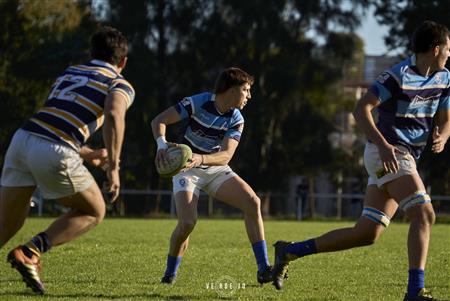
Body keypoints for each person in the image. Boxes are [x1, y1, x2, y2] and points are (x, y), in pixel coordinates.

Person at [271, 20, 450, 301]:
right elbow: (360, 108)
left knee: (367, 233)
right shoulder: (397, 76)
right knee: (424, 214)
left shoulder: (444, 78)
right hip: (388, 153)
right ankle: (415, 292)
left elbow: (445, 119)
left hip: (404, 158)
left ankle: (291, 251)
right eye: (448, 49)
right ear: (437, 48)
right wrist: (384, 145)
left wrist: (444, 135)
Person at [0, 26, 135, 294]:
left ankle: (29, 252)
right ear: (123, 62)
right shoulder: (118, 82)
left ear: (91, 53)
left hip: (23, 139)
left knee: (6, 223)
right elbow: (113, 115)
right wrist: (115, 168)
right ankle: (31, 251)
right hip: (54, 149)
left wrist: (88, 154)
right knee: (94, 211)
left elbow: (56, 121)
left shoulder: (70, 72)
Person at [151, 67, 273, 285]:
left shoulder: (236, 118)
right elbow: (158, 121)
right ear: (232, 90)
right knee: (187, 223)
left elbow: (225, 156)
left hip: (213, 166)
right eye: (246, 90)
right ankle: (170, 274)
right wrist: (161, 144)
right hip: (185, 169)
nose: (249, 95)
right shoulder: (198, 103)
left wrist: (200, 159)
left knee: (253, 202)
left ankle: (264, 268)